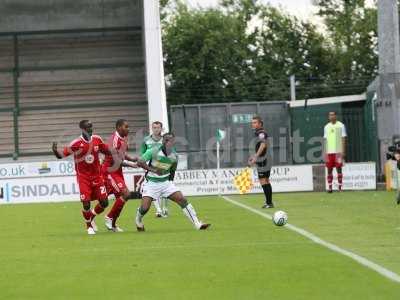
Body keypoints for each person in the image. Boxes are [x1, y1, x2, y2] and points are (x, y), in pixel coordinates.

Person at [135, 132, 211, 231]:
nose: (167, 142)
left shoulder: (174, 156)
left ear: (173, 142)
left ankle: (197, 224)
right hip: (151, 183)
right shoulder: (153, 151)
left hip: (166, 184)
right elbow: (139, 162)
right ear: (162, 141)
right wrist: (154, 170)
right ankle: (138, 220)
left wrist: (170, 183)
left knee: (182, 200)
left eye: (170, 140)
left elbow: (172, 171)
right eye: (165, 140)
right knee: (144, 208)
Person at [52, 120, 110, 235]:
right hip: (83, 178)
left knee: (104, 203)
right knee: (86, 203)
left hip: (97, 177)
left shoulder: (97, 139)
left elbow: (107, 151)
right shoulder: (76, 143)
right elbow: (61, 156)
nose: (91, 129)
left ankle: (92, 216)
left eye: (91, 127)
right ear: (82, 129)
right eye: (88, 127)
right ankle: (89, 226)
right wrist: (55, 151)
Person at [102, 119, 138, 232]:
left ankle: (112, 224)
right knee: (126, 194)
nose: (128, 129)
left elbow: (122, 153)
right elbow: (116, 160)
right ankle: (106, 217)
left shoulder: (125, 138)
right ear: (118, 127)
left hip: (118, 171)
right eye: (126, 127)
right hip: (110, 171)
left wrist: (132, 158)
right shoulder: (113, 140)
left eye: (128, 126)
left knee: (121, 198)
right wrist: (132, 164)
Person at [140, 121, 166, 217]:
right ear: (152, 128)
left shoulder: (165, 140)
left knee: (166, 188)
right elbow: (142, 154)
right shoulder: (146, 140)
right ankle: (159, 210)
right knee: (153, 190)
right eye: (154, 127)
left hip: (163, 168)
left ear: (161, 129)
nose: (156, 129)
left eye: (158, 127)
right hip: (150, 169)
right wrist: (144, 165)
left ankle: (165, 208)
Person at [248, 116, 274, 208]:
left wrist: (256, 157)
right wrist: (253, 156)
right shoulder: (259, 133)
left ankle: (269, 203)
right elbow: (260, 146)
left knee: (263, 180)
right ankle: (269, 202)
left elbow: (263, 145)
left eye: (255, 122)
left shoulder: (261, 133)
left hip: (263, 160)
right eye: (252, 122)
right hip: (265, 159)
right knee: (266, 180)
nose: (253, 124)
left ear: (260, 124)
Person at [323, 112, 347, 193]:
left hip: (338, 150)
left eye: (333, 115)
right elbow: (325, 139)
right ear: (328, 117)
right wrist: (324, 152)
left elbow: (343, 138)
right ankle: (330, 188)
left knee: (339, 169)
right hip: (329, 151)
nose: (331, 116)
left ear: (336, 116)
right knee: (329, 169)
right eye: (330, 115)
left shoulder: (341, 125)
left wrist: (343, 150)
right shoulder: (326, 127)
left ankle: (340, 188)